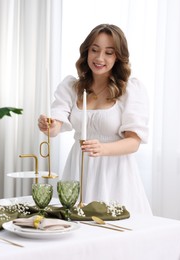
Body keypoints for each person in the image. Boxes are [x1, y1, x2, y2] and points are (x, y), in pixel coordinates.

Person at [38, 24, 152, 215]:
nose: (99, 58)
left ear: (118, 57)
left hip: (115, 173)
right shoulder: (71, 87)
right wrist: (48, 126)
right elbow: (56, 125)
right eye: (94, 50)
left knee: (114, 231)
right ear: (86, 52)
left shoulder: (130, 90)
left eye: (109, 52)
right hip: (79, 168)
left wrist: (102, 148)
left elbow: (133, 142)